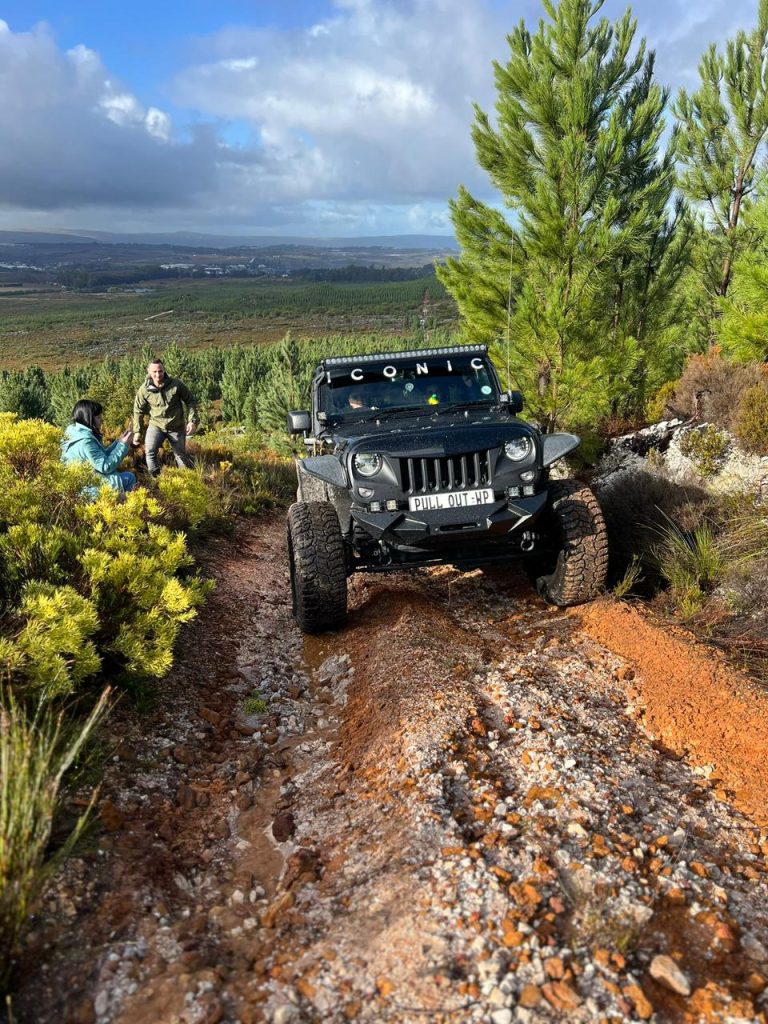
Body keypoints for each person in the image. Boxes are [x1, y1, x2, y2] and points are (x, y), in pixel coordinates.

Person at [132, 359, 197, 477]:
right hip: (156, 425)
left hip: (176, 426)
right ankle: (156, 480)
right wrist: (137, 431)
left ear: (164, 370)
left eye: (160, 371)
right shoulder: (144, 389)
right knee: (150, 452)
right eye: (154, 372)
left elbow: (190, 401)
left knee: (180, 454)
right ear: (148, 371)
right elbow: (138, 410)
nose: (157, 375)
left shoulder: (176, 384)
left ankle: (187, 480)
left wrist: (192, 421)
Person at [61, 400, 136, 493]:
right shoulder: (86, 441)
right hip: (88, 489)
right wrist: (123, 445)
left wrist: (119, 442)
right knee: (129, 478)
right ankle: (123, 505)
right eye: (99, 417)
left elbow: (101, 457)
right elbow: (105, 466)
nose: (102, 420)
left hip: (78, 483)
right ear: (89, 418)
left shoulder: (74, 433)